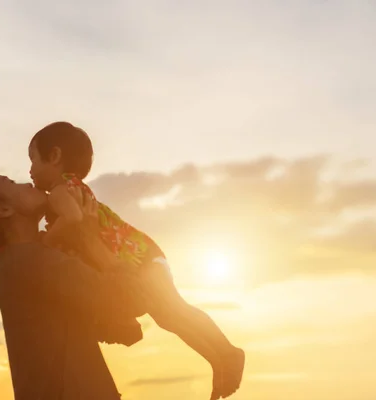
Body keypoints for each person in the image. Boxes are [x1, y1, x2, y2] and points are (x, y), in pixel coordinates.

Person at [28, 121, 245, 399]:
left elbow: (73, 220)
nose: (30, 169)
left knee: (175, 311)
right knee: (170, 316)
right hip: (141, 255)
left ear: (54, 156)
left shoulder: (59, 192)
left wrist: (44, 242)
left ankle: (227, 352)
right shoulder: (74, 186)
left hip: (136, 259)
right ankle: (219, 359)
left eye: (33, 159)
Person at [0, 174, 152, 399]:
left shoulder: (18, 264)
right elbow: (134, 300)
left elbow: (125, 331)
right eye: (12, 184)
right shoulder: (30, 260)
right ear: (1, 210)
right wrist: (90, 237)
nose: (27, 183)